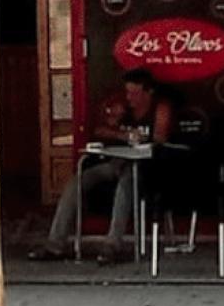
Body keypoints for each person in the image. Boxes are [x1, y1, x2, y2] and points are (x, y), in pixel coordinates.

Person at [30, 68, 174, 265]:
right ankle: (55, 244)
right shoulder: (123, 106)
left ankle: (112, 245)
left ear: (149, 92)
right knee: (78, 181)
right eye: (128, 92)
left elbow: (161, 137)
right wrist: (120, 132)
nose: (130, 98)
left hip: (145, 167)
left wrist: (144, 138)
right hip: (117, 160)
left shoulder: (160, 108)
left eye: (135, 93)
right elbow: (100, 129)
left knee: (126, 184)